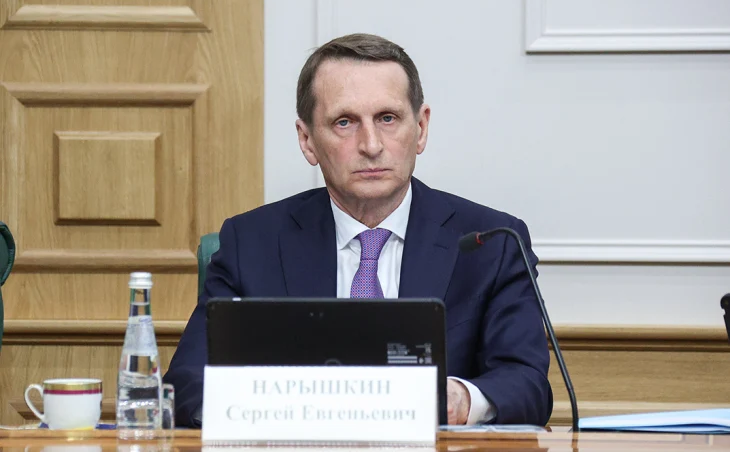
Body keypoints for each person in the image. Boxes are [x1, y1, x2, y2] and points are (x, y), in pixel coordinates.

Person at [163, 33, 553, 428]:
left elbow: (527, 384)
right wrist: (278, 405)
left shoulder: (493, 243)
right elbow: (188, 385)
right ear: (307, 140)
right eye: (345, 122)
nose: (371, 145)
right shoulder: (250, 243)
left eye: (387, 118)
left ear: (420, 128)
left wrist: (461, 400)